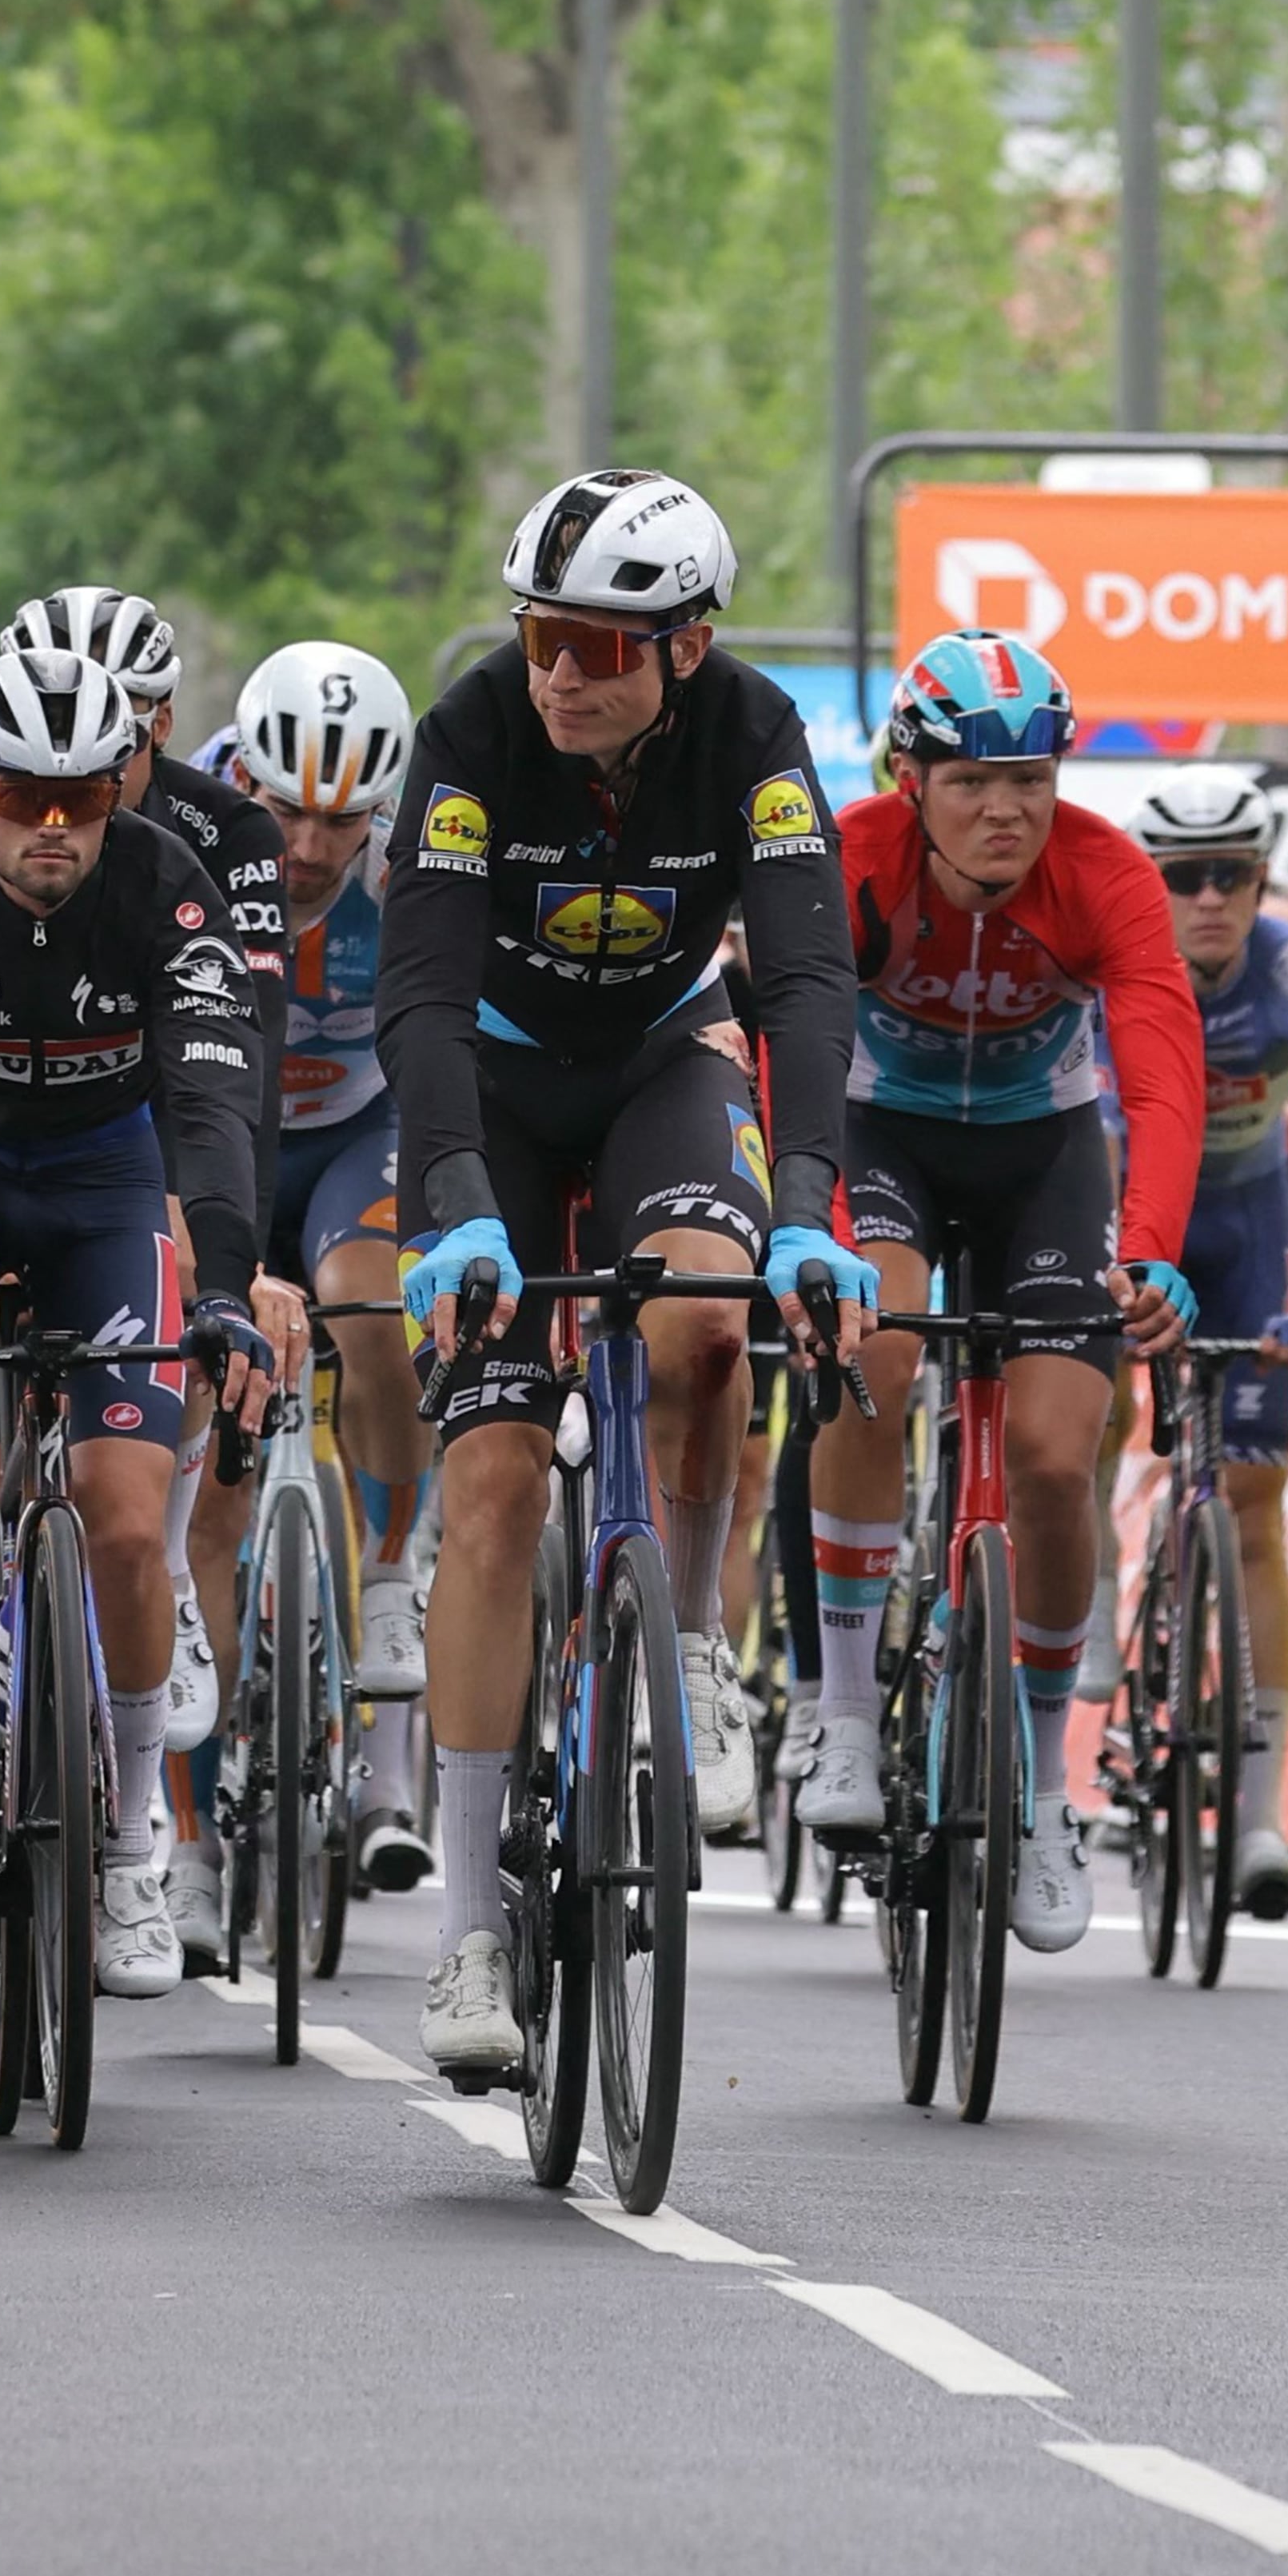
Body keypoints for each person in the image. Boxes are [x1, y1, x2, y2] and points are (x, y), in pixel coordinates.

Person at [377, 470, 873, 2077]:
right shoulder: (466, 741)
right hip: (496, 1102)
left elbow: (803, 975)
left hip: (664, 1063)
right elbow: (423, 1004)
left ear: (687, 645)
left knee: (713, 1329)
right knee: (497, 1482)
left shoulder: (753, 732)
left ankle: (707, 1663)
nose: (559, 674)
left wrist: (805, 1200)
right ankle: (465, 1935)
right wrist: (454, 1205)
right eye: (540, 635)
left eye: (597, 644)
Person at [0, 644, 270, 2005]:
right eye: (22, 797)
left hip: (105, 1182)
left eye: (81, 802)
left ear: (115, 798)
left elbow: (212, 1106)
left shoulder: (170, 890)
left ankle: (135, 1843)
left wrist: (223, 1287)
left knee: (130, 1521)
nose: (50, 830)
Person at [792, 632, 1205, 1954]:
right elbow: (787, 1045)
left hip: (1043, 1157)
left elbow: (1160, 1067)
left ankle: (1043, 1787)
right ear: (910, 778)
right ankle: (848, 1712)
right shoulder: (851, 854)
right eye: (972, 779)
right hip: (884, 1139)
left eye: (1031, 776)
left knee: (1052, 1452)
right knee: (880, 1353)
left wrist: (1148, 1247)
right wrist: (819, 1228)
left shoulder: (1106, 874)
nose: (1007, 807)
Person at [1129, 765, 1288, 1914]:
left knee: (1256, 1502)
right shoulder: (1118, 957)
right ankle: (1082, 1623)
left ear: (1263, 876)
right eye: (1186, 877)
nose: (1210, 898)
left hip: (1249, 1218)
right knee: (1068, 1421)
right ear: (1152, 881)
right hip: (1136, 1207)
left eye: (1233, 874)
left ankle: (1262, 1815)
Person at [229, 637, 437, 1887]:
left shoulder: (409, 872)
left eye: (342, 819)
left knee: (374, 1310)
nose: (311, 848)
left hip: (360, 1135)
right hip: (216, 1133)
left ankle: (393, 1569)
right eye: (286, 810)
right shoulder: (191, 840)